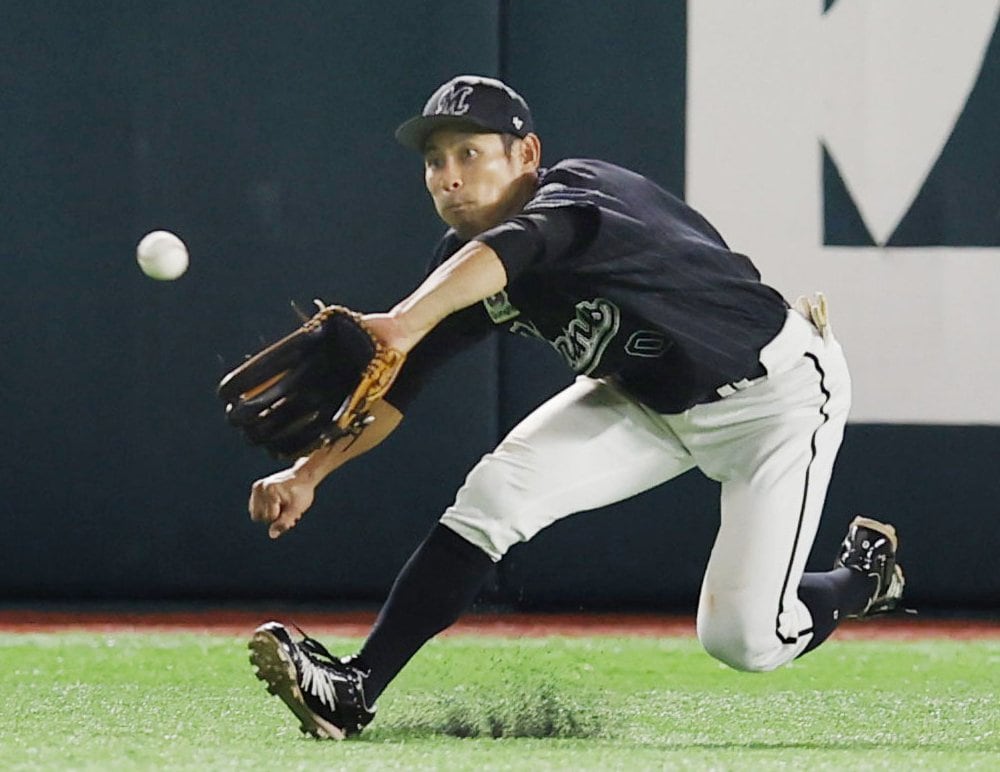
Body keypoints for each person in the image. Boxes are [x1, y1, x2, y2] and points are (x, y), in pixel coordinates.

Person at [244, 75, 906, 740]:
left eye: (469, 154)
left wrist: (406, 318)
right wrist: (309, 472)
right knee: (495, 495)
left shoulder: (581, 197)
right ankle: (355, 688)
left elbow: (518, 249)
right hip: (646, 402)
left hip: (775, 400)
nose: (448, 177)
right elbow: (400, 381)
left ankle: (858, 580)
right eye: (434, 161)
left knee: (745, 641)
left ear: (526, 155)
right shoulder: (459, 266)